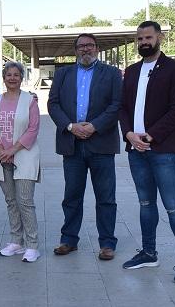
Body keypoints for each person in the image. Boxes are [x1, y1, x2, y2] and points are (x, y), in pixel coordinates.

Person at [119, 21, 175, 283]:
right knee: (145, 204)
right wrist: (129, 134)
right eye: (139, 38)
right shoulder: (131, 71)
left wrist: (150, 136)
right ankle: (149, 253)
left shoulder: (174, 68)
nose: (143, 42)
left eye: (148, 37)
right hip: (135, 149)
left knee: (173, 207)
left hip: (163, 149)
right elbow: (122, 108)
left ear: (159, 37)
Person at [47, 33, 122, 261]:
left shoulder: (111, 73)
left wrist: (94, 126)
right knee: (72, 196)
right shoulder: (63, 74)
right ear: (76, 50)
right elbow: (53, 103)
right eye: (81, 46)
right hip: (73, 144)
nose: (85, 50)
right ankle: (69, 239)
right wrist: (70, 126)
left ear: (97, 48)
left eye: (89, 45)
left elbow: (117, 104)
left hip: (101, 143)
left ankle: (107, 243)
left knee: (106, 197)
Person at [0, 62, 41, 262]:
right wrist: (1, 149)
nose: (12, 78)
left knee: (25, 202)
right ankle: (16, 241)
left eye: (16, 75)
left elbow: (33, 128)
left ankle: (32, 245)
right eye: (8, 75)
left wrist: (13, 149)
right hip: (1, 157)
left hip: (24, 156)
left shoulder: (29, 101)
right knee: (11, 202)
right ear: (3, 77)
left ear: (21, 77)